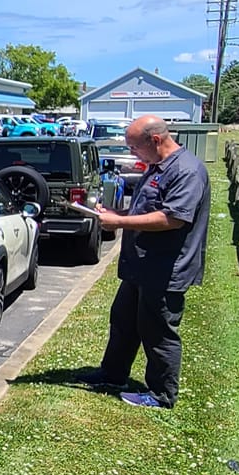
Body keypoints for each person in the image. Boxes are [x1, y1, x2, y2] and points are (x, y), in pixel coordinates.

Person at [75, 115, 211, 409]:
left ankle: (161, 394)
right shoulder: (157, 167)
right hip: (141, 266)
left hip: (165, 268)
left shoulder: (187, 171)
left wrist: (121, 222)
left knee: (158, 331)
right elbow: (147, 207)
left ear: (156, 140)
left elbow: (172, 218)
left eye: (134, 147)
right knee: (123, 320)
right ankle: (112, 375)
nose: (132, 152)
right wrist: (116, 213)